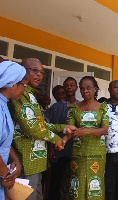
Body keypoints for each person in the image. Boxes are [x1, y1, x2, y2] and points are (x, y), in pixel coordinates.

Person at [9, 58, 76, 200]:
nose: (39, 75)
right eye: (34, 70)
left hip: (37, 161)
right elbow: (31, 128)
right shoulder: (18, 95)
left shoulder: (31, 95)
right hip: (25, 160)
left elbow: (41, 123)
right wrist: (56, 139)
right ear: (22, 70)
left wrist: (63, 128)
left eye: (41, 72)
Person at [67, 76, 109, 200]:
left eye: (88, 88)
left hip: (97, 154)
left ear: (95, 89)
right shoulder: (73, 108)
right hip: (78, 154)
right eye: (82, 88)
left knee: (95, 187)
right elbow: (70, 129)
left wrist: (87, 131)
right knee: (76, 186)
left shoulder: (103, 107)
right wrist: (64, 139)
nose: (85, 91)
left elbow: (104, 129)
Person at [44, 77, 80, 200]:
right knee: (56, 181)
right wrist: (50, 148)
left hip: (76, 150)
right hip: (59, 149)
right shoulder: (56, 106)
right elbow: (48, 128)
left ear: (76, 88)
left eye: (71, 85)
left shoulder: (80, 106)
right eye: (66, 85)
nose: (69, 87)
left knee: (74, 182)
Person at [0, 61, 28, 199]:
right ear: (12, 84)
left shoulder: (4, 104)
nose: (25, 90)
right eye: (24, 85)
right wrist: (5, 175)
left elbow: (3, 139)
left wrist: (14, 158)